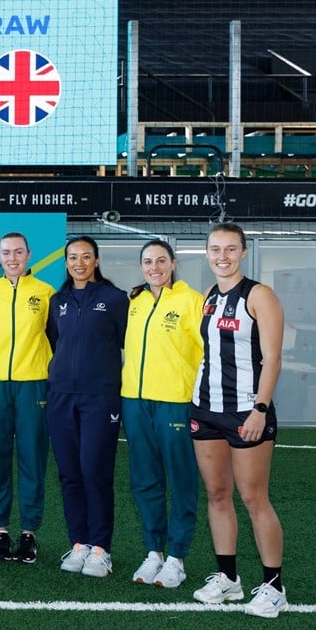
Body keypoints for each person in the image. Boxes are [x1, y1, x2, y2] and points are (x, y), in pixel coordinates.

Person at [189, 222, 288, 618]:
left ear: (243, 253)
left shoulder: (259, 295)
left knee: (254, 498)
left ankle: (274, 586)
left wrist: (260, 409)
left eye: (231, 249)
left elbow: (274, 358)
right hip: (205, 409)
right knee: (216, 494)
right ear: (208, 253)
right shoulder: (210, 296)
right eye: (215, 249)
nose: (222, 256)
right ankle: (228, 579)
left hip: (247, 411)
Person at [122, 240, 204, 589]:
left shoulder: (191, 301)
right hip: (134, 402)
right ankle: (154, 551)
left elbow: (206, 355)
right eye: (147, 261)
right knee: (145, 480)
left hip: (175, 402)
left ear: (172, 263)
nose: (153, 267)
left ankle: (177, 556)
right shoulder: (135, 301)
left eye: (160, 260)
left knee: (181, 480)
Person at [48, 236, 128, 578]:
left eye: (85, 256)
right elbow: (57, 341)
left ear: (96, 260)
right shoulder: (58, 301)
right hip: (62, 396)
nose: (78, 262)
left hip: (101, 397)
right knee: (69, 474)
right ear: (65, 262)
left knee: (94, 471)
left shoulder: (114, 299)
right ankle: (79, 544)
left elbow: (128, 342)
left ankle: (100, 548)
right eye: (72, 257)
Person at [0, 232, 54, 563]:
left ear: (28, 255)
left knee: (32, 457)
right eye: (7, 252)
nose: (12, 258)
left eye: (18, 252)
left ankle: (28, 533)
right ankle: (0, 531)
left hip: (33, 384)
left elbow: (55, 338)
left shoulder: (46, 293)